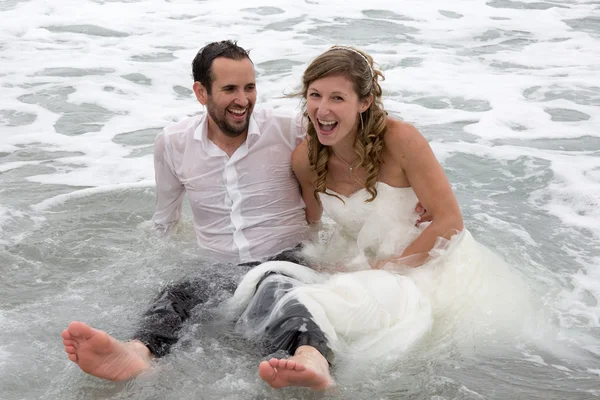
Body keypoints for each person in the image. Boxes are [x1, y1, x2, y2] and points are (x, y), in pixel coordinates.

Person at [62, 41, 334, 391]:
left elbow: (355, 149)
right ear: (201, 92)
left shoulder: (290, 129)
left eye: (249, 87)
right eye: (230, 89)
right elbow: (165, 220)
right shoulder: (173, 143)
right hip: (219, 266)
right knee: (177, 295)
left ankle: (311, 357)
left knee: (285, 293)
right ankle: (137, 353)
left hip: (287, 255)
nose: (243, 100)